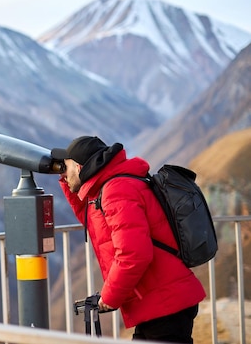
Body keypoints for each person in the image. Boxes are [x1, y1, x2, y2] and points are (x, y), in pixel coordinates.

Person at [51, 135, 205, 343]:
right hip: (160, 300)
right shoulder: (110, 186)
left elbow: (134, 254)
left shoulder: (116, 190)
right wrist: (65, 181)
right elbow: (92, 218)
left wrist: (110, 297)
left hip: (163, 303)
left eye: (65, 168)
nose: (64, 174)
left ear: (79, 168)